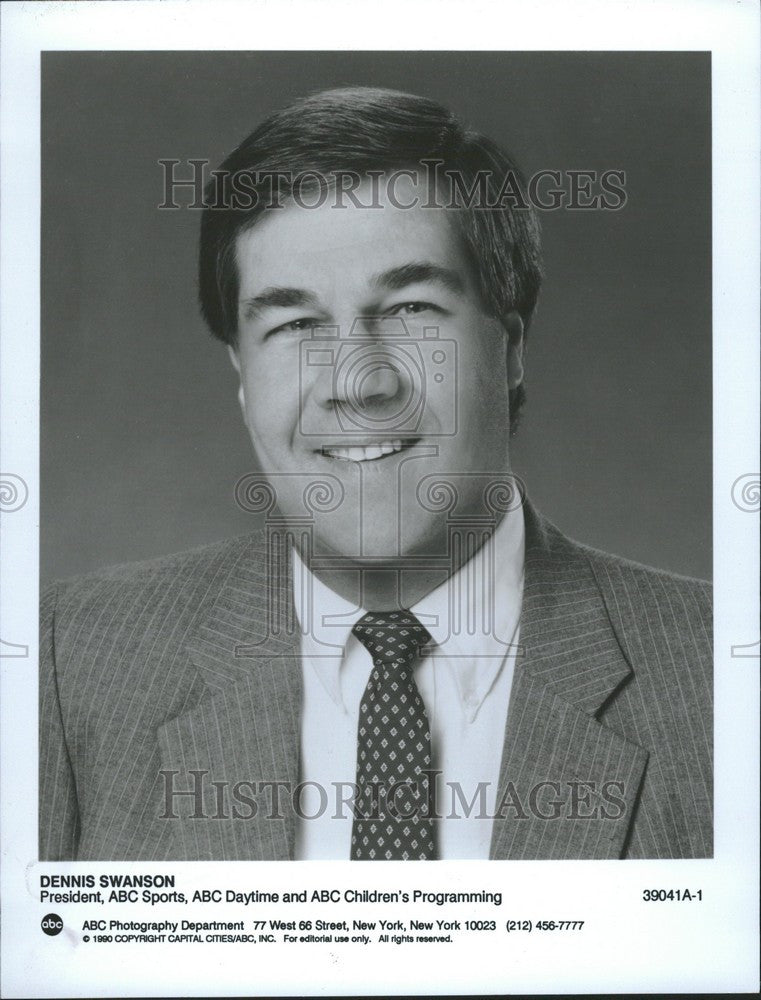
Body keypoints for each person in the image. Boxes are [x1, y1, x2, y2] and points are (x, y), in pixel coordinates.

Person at [39, 87, 712, 861]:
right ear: (240, 372)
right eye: (294, 324)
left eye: (411, 310)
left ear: (510, 347)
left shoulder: (720, 680)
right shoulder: (73, 663)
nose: (356, 381)